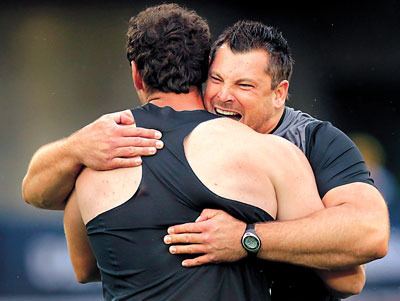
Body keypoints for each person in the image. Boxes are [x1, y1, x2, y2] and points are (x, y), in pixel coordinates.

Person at [21, 7, 385, 301]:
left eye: (243, 85)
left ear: (279, 92)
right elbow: (37, 194)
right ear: (200, 74)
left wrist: (248, 237)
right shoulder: (106, 145)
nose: (224, 96)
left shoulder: (313, 142)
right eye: (217, 79)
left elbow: (363, 248)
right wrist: (75, 147)